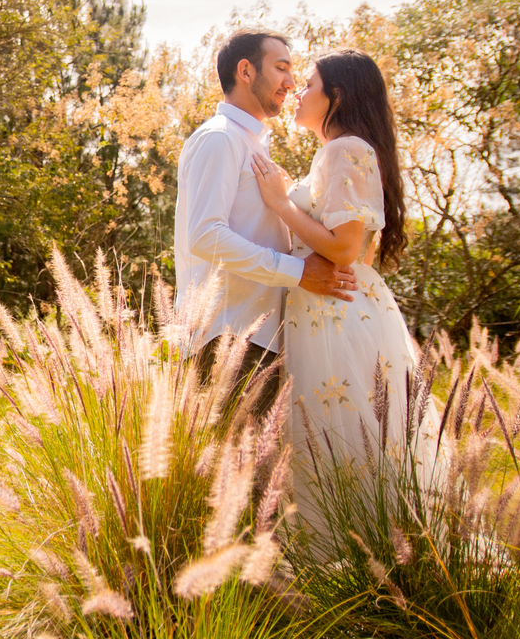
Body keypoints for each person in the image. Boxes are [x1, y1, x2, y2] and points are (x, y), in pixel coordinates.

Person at [250, 48, 444, 533]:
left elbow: (345, 248)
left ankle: (359, 551)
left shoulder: (345, 149)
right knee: (354, 442)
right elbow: (363, 255)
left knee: (341, 438)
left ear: (336, 95)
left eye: (309, 84)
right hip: (337, 309)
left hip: (333, 314)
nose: (297, 91)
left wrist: (281, 204)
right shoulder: (344, 152)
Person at [174, 28, 356, 407]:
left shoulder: (253, 143)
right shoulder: (220, 138)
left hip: (260, 339)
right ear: (246, 71)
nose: (290, 81)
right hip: (227, 337)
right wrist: (298, 271)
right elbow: (205, 236)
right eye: (281, 68)